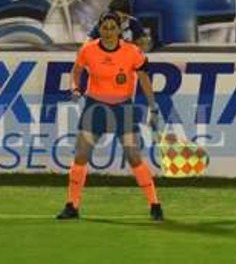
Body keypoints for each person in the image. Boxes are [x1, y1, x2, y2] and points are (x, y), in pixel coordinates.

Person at [58, 12, 164, 223]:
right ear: (99, 29)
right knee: (81, 155)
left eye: (112, 28)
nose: (108, 32)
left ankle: (155, 205)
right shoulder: (88, 50)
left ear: (119, 30)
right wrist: (75, 87)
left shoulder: (132, 52)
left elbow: (144, 80)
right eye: (104, 28)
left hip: (123, 109)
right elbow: (76, 71)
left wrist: (153, 109)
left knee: (134, 156)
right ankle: (72, 205)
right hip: (95, 107)